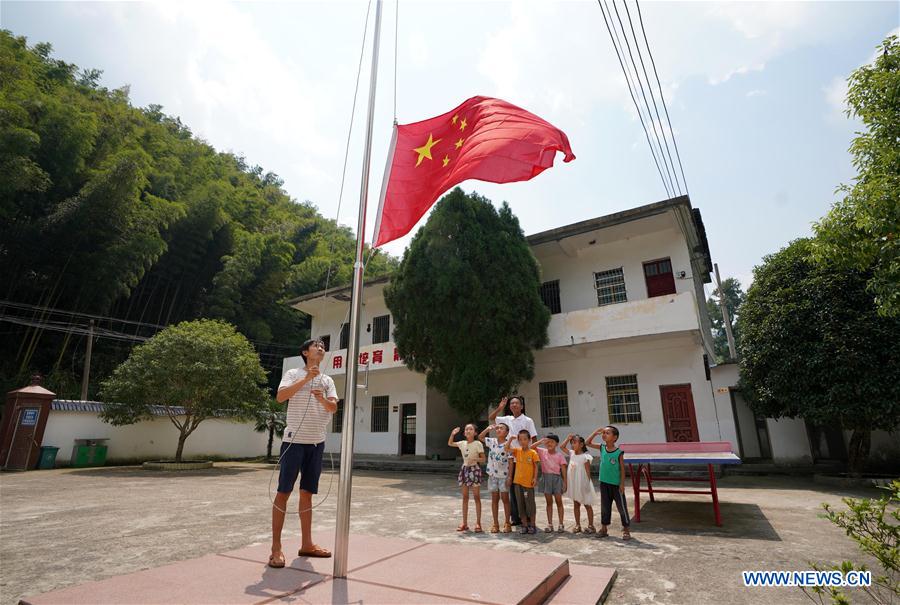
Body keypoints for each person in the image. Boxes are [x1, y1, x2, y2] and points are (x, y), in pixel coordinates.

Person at [269, 339, 338, 568]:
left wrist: (321, 398)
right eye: (316, 345)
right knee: (283, 492)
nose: (321, 348)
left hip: (316, 444)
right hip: (293, 442)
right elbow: (280, 397)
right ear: (305, 352)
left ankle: (307, 543)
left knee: (307, 494)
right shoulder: (292, 373)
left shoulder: (327, 380)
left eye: (323, 346)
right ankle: (276, 548)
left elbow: (333, 408)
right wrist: (306, 379)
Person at [488, 396, 537, 525]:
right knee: (513, 490)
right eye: (512, 403)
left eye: (516, 403)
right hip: (510, 458)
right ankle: (516, 518)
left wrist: (532, 456)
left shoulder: (528, 420)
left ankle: (528, 517)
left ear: (521, 406)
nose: (514, 405)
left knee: (525, 489)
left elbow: (534, 438)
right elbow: (491, 418)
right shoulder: (507, 419)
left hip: (524, 459)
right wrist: (500, 407)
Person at [587, 426, 632, 540]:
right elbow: (587, 443)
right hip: (604, 483)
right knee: (605, 507)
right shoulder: (602, 448)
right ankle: (604, 529)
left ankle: (626, 530)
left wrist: (622, 484)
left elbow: (622, 469)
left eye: (607, 433)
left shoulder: (618, 452)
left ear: (615, 437)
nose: (604, 434)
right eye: (604, 433)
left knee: (621, 507)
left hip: (616, 485)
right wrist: (595, 432)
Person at [448, 424, 486, 533]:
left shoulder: (478, 443)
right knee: (465, 498)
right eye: (466, 429)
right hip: (465, 470)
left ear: (475, 433)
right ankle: (464, 523)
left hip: (474, 470)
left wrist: (475, 458)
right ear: (464, 433)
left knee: (476, 497)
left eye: (471, 429)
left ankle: (478, 523)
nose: (468, 430)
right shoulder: (462, 443)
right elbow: (450, 443)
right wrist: (452, 434)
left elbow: (483, 459)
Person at [478, 422, 513, 533]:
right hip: (492, 475)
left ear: (507, 432)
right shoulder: (492, 441)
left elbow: (511, 462)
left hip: (504, 476)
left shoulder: (509, 444)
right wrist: (487, 429)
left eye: (501, 428)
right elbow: (480, 437)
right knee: (494, 500)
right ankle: (495, 524)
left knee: (505, 500)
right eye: (497, 428)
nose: (498, 430)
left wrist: (510, 477)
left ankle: (507, 523)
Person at [504, 429, 540, 535]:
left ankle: (532, 525)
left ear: (529, 440)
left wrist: (535, 478)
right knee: (521, 505)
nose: (523, 441)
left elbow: (536, 466)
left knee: (530, 505)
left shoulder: (533, 453)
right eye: (520, 439)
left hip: (528, 484)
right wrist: (510, 439)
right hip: (517, 483)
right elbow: (506, 448)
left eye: (525, 439)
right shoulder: (517, 451)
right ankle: (524, 526)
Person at [560, 434, 597, 534]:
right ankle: (577, 525)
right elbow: (562, 447)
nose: (572, 444)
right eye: (572, 443)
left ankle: (591, 525)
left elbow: (588, 473)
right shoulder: (572, 453)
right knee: (576, 504)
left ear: (581, 444)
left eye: (574, 442)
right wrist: (567, 439)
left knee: (587, 504)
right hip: (574, 484)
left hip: (583, 484)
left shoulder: (585, 457)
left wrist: (587, 485)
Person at [533, 434, 567, 532]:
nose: (549, 444)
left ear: (557, 443)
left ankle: (561, 524)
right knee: (549, 503)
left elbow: (564, 469)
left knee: (559, 502)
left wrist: (565, 483)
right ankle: (550, 524)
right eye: (547, 442)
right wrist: (540, 441)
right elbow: (531, 447)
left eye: (552, 442)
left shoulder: (559, 455)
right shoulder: (542, 451)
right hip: (546, 478)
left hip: (557, 479)